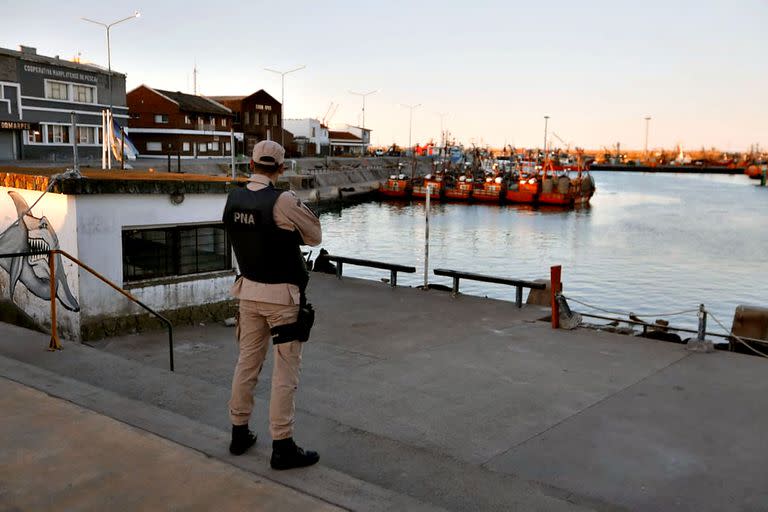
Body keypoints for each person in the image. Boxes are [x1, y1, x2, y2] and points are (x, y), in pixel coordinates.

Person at [222, 140, 322, 470]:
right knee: (284, 372)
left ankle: (239, 432)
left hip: (247, 292)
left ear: (251, 164)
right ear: (280, 169)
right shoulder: (283, 200)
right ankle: (282, 444)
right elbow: (314, 236)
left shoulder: (234, 197)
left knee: (247, 363)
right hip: (282, 298)